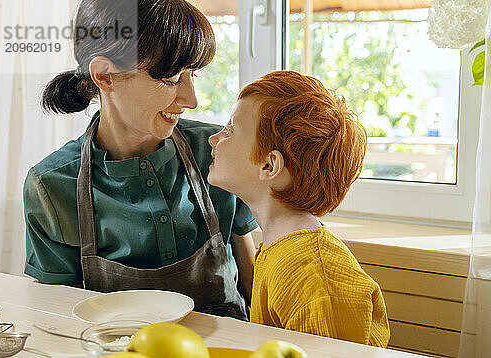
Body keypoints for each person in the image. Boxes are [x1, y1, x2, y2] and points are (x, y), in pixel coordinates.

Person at [23, 0, 257, 320]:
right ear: (105, 76)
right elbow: (57, 319)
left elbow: (254, 283)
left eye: (193, 74)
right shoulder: (51, 187)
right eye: (171, 78)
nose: (191, 99)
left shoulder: (220, 151)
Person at [207, 71, 391, 346]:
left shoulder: (314, 277)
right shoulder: (282, 249)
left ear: (269, 166)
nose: (213, 139)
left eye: (230, 130)